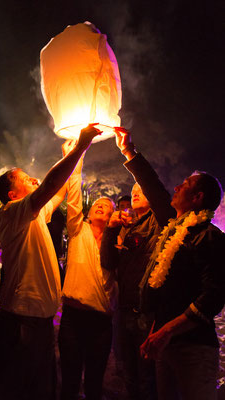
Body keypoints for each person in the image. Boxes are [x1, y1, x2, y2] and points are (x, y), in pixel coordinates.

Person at [112, 128, 225, 400]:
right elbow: (154, 188)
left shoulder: (211, 237)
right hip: (165, 346)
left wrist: (166, 332)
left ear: (197, 198)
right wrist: (129, 152)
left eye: (184, 184)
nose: (176, 187)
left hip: (194, 350)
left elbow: (213, 297)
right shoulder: (173, 230)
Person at [0, 125, 101, 400]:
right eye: (27, 180)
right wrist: (79, 148)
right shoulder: (13, 213)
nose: (35, 181)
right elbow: (51, 184)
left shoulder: (35, 215)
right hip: (21, 322)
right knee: (17, 389)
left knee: (41, 390)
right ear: (13, 194)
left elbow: (59, 191)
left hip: (40, 322)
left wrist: (74, 156)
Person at [100, 129, 175, 400]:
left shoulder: (161, 223)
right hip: (124, 313)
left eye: (139, 189)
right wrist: (110, 230)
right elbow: (108, 262)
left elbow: (155, 189)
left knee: (147, 379)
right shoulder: (126, 228)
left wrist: (131, 154)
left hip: (148, 316)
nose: (135, 193)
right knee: (127, 376)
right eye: (131, 190)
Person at [58, 140, 117, 400]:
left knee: (95, 382)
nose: (99, 206)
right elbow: (74, 192)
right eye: (96, 204)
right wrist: (76, 156)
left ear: (113, 216)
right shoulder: (77, 230)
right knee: (69, 380)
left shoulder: (116, 241)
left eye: (106, 206)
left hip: (101, 322)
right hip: (72, 317)